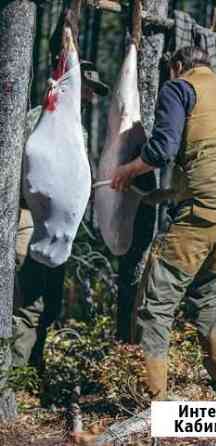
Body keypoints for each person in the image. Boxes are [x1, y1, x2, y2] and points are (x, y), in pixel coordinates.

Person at [111, 46, 216, 399]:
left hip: (204, 212)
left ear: (177, 66)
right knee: (207, 290)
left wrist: (127, 170)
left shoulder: (178, 87)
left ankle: (151, 396)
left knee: (156, 301)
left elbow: (162, 149)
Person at [12, 62, 109, 371]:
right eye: (88, 88)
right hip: (29, 218)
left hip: (55, 227)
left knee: (49, 299)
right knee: (29, 297)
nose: (90, 95)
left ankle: (32, 363)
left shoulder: (74, 126)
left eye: (93, 91)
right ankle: (14, 371)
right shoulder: (40, 118)